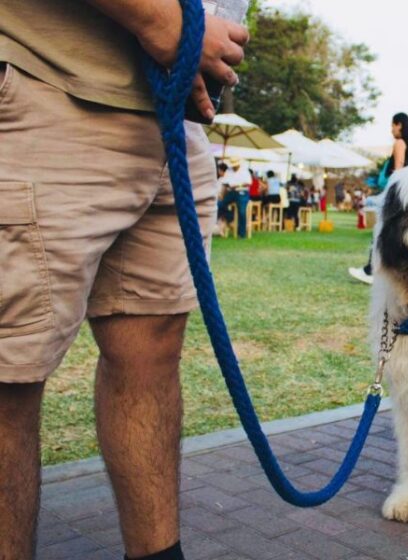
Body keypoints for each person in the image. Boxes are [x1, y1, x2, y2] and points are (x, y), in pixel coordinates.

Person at [0, 2, 248, 559]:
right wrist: (166, 22)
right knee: (8, 376)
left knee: (152, 355)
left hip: (168, 121)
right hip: (43, 82)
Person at [348, 112, 408, 284]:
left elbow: (398, 170)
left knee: (381, 230)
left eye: (393, 125)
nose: (391, 130)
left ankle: (371, 270)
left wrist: (390, 195)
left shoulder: (399, 143)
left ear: (400, 125)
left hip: (396, 191)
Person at [218, 157, 252, 238]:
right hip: (231, 192)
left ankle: (241, 234)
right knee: (219, 205)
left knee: (242, 211)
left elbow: (249, 183)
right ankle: (231, 219)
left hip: (242, 192)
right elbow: (225, 184)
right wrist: (222, 195)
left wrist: (238, 185)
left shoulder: (244, 171)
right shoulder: (229, 171)